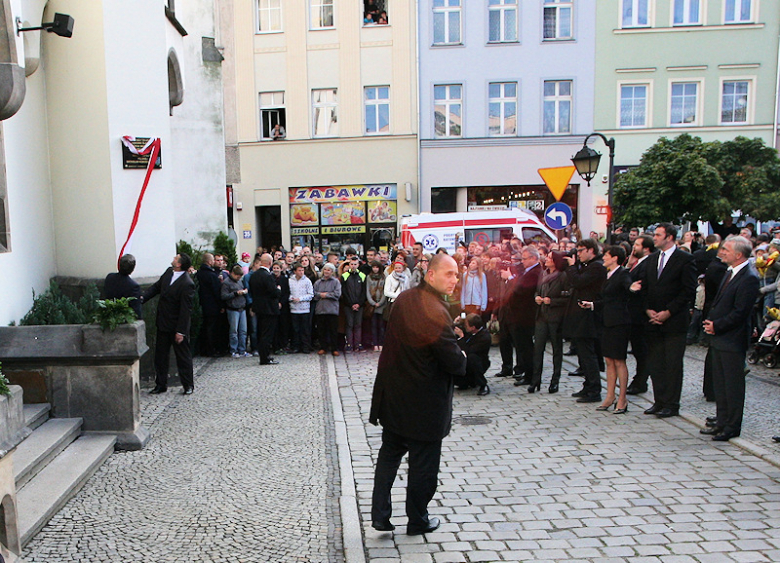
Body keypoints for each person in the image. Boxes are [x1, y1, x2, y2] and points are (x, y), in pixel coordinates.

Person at [369, 254, 466, 535]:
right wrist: (462, 352)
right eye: (449, 274)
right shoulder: (434, 309)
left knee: (389, 456)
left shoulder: (406, 299)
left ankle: (380, 514)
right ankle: (418, 519)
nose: (454, 280)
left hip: (395, 396)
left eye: (457, 274)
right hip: (423, 403)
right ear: (431, 275)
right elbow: (455, 363)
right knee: (423, 467)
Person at [632, 223, 697, 418]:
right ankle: (659, 400)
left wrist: (668, 312)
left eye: (659, 235)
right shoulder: (651, 260)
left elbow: (687, 291)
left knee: (672, 365)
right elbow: (644, 288)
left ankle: (671, 403)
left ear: (669, 237)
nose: (655, 238)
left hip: (674, 322)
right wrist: (647, 310)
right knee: (656, 363)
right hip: (652, 321)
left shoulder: (685, 260)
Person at [700, 236, 760, 441]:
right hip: (719, 338)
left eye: (726, 249)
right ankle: (721, 420)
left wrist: (718, 325)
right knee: (721, 384)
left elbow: (741, 312)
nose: (721, 252)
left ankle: (731, 426)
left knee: (733, 386)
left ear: (739, 254)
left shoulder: (749, 277)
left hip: (732, 339)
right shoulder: (730, 272)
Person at [582, 246, 632, 413]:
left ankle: (622, 398)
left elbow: (626, 289)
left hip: (619, 323)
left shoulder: (623, 274)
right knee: (609, 360)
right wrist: (593, 305)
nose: (604, 258)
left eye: (607, 256)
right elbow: (608, 300)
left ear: (615, 258)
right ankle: (610, 395)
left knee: (619, 360)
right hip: (607, 322)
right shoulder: (608, 275)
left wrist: (632, 288)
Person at [142, 253, 196, 395]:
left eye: (176, 258)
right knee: (160, 356)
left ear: (179, 264)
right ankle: (161, 384)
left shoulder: (187, 283)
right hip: (163, 323)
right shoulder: (168, 273)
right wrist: (142, 298)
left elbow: (186, 310)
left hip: (177, 326)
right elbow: (156, 288)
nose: (173, 258)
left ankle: (188, 384)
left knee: (183, 357)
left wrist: (181, 331)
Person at [563, 238, 607, 403]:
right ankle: (588, 385)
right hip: (581, 316)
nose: (578, 254)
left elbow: (577, 281)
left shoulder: (597, 266)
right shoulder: (589, 266)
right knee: (583, 354)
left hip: (588, 317)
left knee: (588, 354)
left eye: (581, 250)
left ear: (591, 250)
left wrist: (572, 266)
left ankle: (595, 389)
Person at [530, 250, 568, 394]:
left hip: (555, 317)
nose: (547, 259)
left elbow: (567, 297)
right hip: (541, 316)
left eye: (550, 258)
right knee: (538, 349)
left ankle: (555, 381)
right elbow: (537, 290)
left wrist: (552, 301)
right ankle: (535, 380)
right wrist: (537, 298)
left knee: (556, 350)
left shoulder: (562, 276)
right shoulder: (543, 273)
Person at [509, 247, 543, 387]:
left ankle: (530, 375)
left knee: (526, 347)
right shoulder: (527, 271)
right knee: (521, 346)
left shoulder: (535, 272)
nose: (522, 262)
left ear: (533, 258)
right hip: (519, 314)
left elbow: (523, 290)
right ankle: (527, 373)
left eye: (525, 258)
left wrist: (512, 280)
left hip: (526, 314)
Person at [626, 235, 654, 395]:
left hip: (639, 314)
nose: (633, 247)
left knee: (641, 350)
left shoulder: (647, 264)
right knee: (637, 349)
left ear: (646, 248)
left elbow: (640, 286)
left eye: (637, 245)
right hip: (633, 312)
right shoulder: (637, 263)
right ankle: (640, 378)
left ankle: (641, 379)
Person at [249, 253, 281, 366]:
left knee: (261, 332)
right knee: (267, 334)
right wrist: (278, 289)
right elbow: (273, 292)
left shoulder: (254, 275)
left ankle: (264, 355)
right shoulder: (268, 276)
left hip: (258, 308)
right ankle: (265, 357)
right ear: (270, 263)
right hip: (269, 309)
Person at [196, 253, 223, 357]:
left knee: (205, 327)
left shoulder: (199, 273)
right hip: (212, 306)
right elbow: (216, 291)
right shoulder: (211, 275)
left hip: (203, 304)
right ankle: (211, 350)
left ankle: (204, 349)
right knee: (211, 329)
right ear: (209, 262)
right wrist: (221, 306)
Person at [458, 313, 492, 396]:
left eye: (467, 325)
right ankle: (468, 382)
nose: (465, 327)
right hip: (465, 364)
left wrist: (461, 337)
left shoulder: (484, 337)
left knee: (472, 357)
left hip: (478, 363)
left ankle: (483, 384)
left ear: (473, 327)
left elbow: (468, 351)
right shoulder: (470, 332)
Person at [221, 265, 250, 358]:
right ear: (233, 273)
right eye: (237, 276)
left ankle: (242, 350)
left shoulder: (240, 282)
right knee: (234, 331)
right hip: (233, 309)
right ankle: (234, 350)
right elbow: (224, 296)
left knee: (243, 331)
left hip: (242, 308)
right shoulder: (226, 283)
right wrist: (236, 293)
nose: (239, 278)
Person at [313, 263, 342, 356]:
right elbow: (314, 294)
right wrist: (320, 295)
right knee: (321, 330)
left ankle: (334, 348)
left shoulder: (336, 282)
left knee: (333, 330)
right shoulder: (318, 282)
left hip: (332, 310)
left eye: (329, 270)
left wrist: (326, 295)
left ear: (332, 272)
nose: (326, 272)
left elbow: (337, 294)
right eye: (325, 269)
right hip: (320, 309)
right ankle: (323, 347)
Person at [103, 254, 142, 319]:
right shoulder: (134, 286)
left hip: (108, 316)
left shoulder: (109, 277)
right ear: (132, 269)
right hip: (124, 320)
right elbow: (136, 311)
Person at [341, 256, 367, 353]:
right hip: (348, 305)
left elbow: (364, 292)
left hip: (359, 305)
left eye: (355, 264)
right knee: (349, 324)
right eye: (351, 264)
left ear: (358, 265)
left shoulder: (363, 276)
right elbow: (344, 292)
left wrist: (359, 304)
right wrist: (351, 304)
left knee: (358, 324)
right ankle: (349, 344)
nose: (353, 266)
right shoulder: (344, 276)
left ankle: (358, 344)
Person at [288, 262, 314, 354]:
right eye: (299, 270)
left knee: (305, 329)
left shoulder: (307, 281)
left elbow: (311, 294)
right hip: (294, 308)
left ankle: (306, 346)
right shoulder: (290, 280)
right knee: (295, 329)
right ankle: (296, 346)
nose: (301, 272)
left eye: (302, 270)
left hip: (304, 308)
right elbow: (287, 292)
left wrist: (301, 299)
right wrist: (291, 298)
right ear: (295, 271)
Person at [366, 260, 388, 351]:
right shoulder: (369, 277)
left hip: (382, 305)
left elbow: (384, 291)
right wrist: (372, 302)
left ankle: (381, 343)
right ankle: (375, 343)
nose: (375, 269)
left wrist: (381, 302)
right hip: (372, 305)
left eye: (377, 267)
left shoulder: (383, 277)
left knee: (381, 325)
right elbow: (367, 291)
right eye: (373, 267)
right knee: (373, 325)